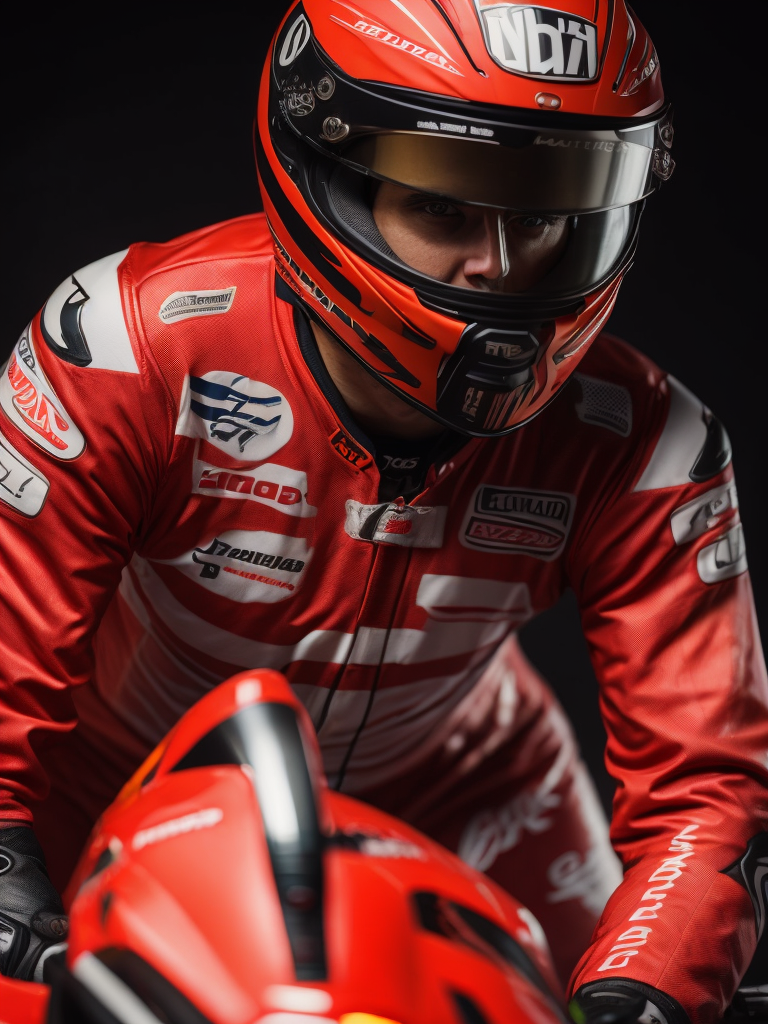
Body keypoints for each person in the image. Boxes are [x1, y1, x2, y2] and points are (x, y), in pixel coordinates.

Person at [1, 1, 765, 1021]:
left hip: (481, 797)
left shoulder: (657, 442)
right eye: (447, 207)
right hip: (113, 784)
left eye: (543, 211)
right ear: (331, 174)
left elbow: (709, 801)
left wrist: (645, 994)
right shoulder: (126, 349)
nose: (501, 265)